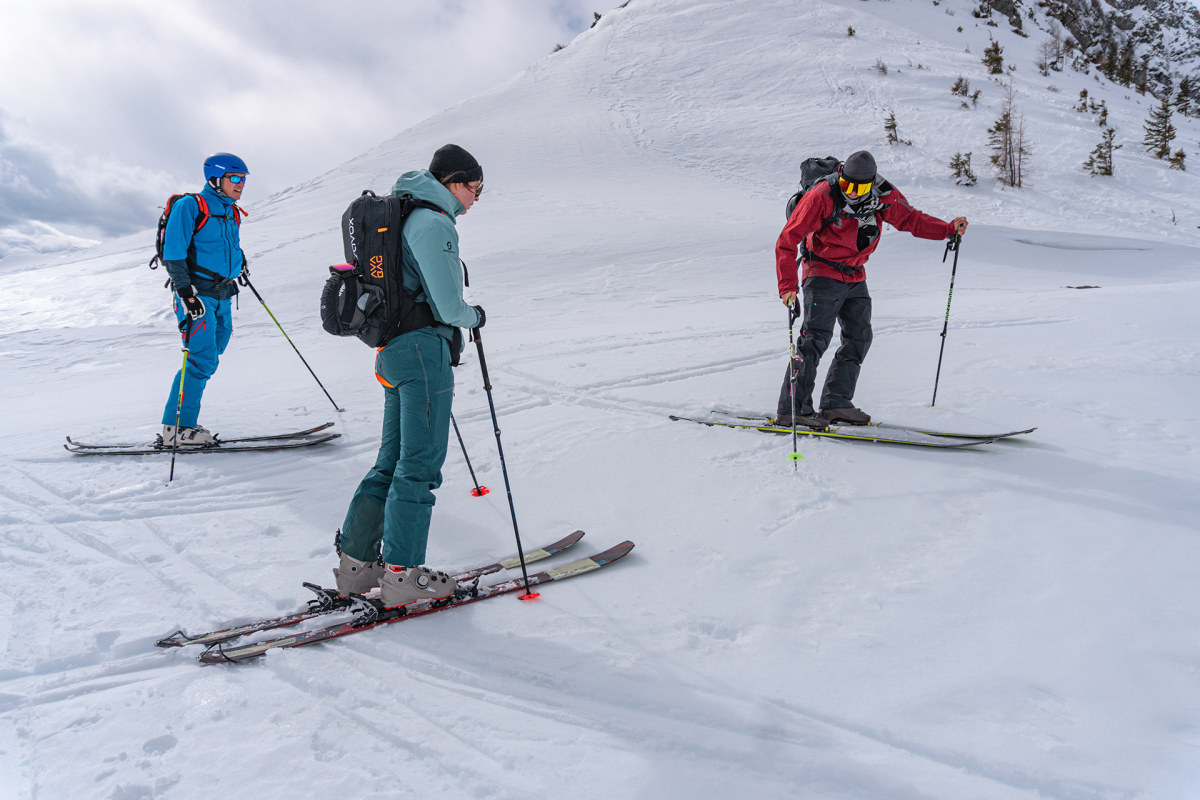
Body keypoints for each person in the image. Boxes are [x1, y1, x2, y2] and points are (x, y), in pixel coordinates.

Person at [332, 144, 486, 609]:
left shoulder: (400, 214)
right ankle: (402, 574)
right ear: (453, 181)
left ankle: (357, 567)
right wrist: (474, 315)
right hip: (423, 354)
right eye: (475, 188)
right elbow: (447, 304)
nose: (476, 198)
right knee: (418, 465)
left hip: (393, 352)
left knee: (392, 461)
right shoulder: (433, 221)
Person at [774, 150, 968, 427]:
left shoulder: (883, 194)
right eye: (847, 185)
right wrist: (787, 286)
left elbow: (910, 220)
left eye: (860, 187)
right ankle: (793, 410)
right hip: (822, 272)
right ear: (840, 175)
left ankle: (836, 403)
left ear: (872, 182)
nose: (852, 192)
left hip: (855, 275)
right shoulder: (822, 195)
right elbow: (787, 238)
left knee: (859, 337)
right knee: (814, 339)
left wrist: (947, 229)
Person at [160, 152, 250, 446]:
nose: (240, 184)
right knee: (200, 358)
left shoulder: (232, 211)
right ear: (215, 179)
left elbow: (227, 245)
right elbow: (174, 252)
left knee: (213, 351)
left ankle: (181, 424)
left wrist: (240, 264)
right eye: (234, 178)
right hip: (197, 295)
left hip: (223, 293)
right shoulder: (191, 206)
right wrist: (185, 294)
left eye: (243, 179)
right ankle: (177, 429)